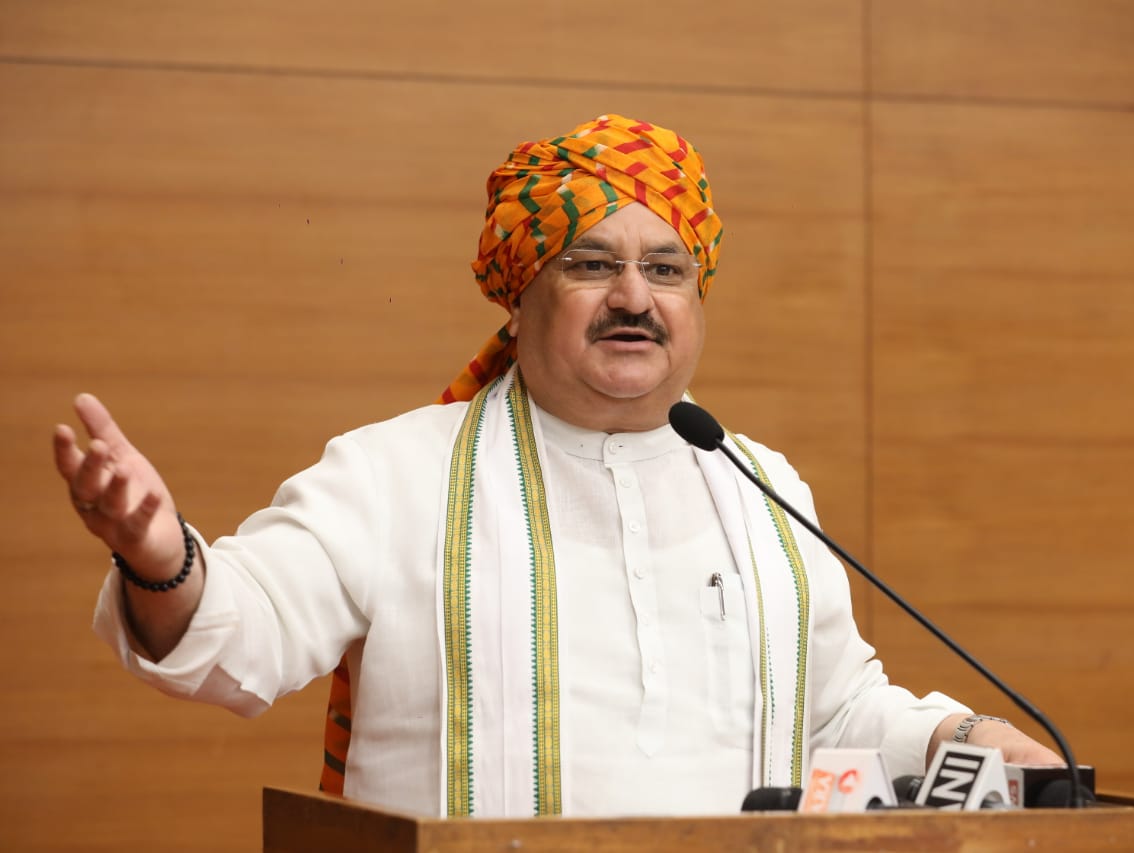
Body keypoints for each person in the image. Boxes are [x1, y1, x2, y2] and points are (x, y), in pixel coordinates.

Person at [53, 114, 1060, 818]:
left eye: (665, 269)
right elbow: (239, 642)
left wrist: (958, 737)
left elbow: (833, 708)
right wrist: (157, 555)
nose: (636, 295)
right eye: (591, 263)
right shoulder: (395, 473)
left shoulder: (757, 485)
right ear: (518, 292)